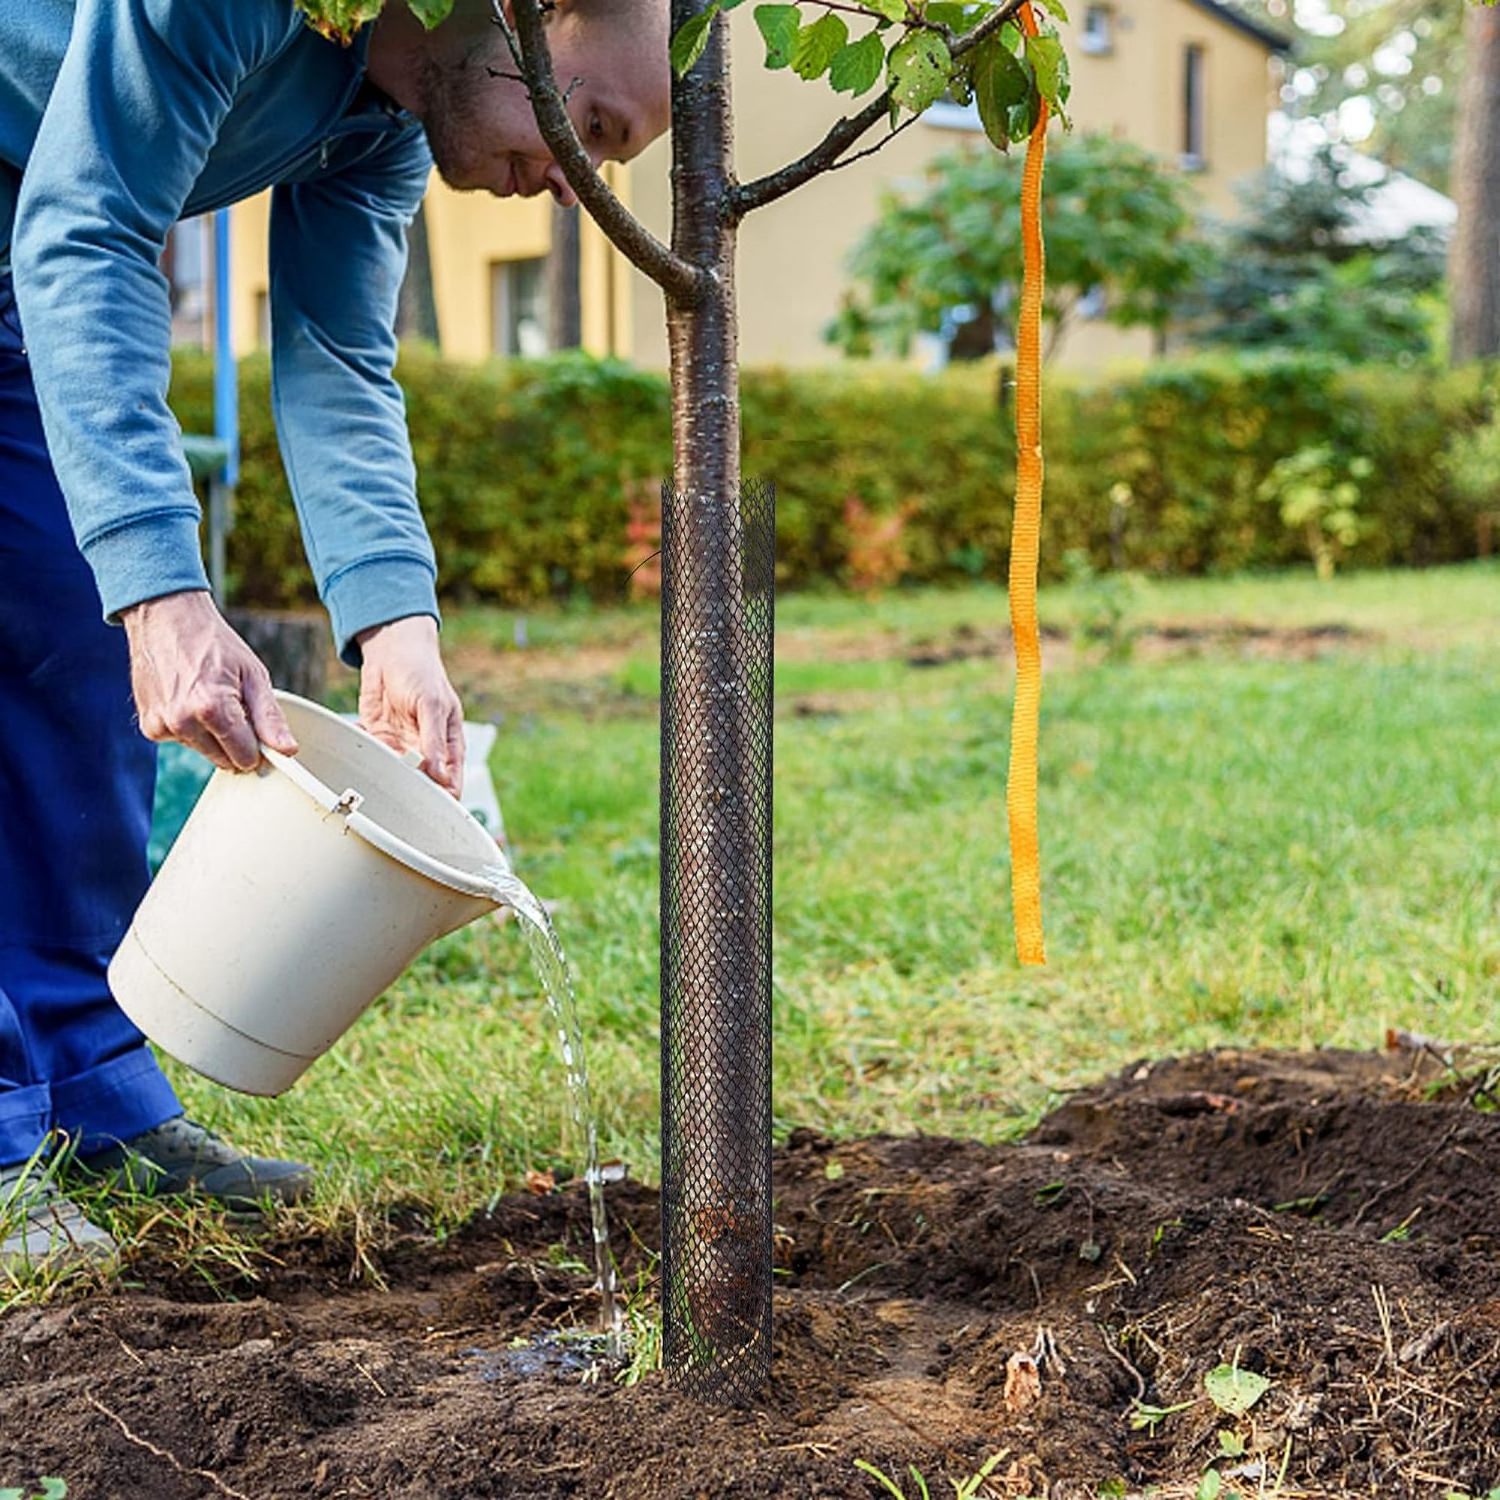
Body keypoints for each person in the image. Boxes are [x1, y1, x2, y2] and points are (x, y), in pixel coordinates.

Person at [0, 0, 670, 1268]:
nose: (580, 186)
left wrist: (396, 631)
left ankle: (90, 1097)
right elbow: (91, 227)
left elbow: (338, 353)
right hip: (49, 224)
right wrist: (166, 599)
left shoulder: (390, 111)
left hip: (32, 253)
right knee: (107, 620)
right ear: (535, 13)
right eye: (592, 126)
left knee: (68, 662)